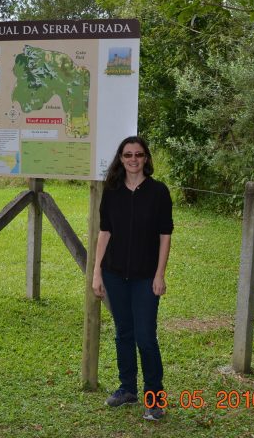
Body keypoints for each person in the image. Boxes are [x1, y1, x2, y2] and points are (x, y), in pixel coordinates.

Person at [92, 136, 173, 421]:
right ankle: (127, 389)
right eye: (128, 155)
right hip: (114, 275)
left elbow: (165, 237)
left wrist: (159, 274)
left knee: (146, 338)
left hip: (145, 278)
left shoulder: (159, 192)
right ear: (121, 158)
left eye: (139, 154)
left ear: (147, 159)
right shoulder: (111, 191)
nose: (133, 159)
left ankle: (155, 399)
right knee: (123, 333)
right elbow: (105, 233)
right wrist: (97, 272)